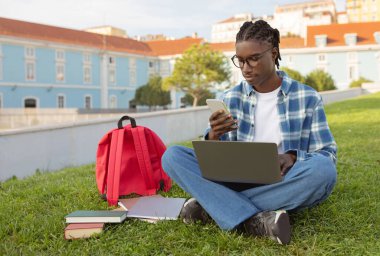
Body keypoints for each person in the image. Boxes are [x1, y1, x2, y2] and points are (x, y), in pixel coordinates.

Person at [161, 20, 337, 245]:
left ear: (273, 54)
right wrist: (214, 135)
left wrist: (291, 157)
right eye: (240, 61)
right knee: (172, 156)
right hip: (234, 179)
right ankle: (254, 220)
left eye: (253, 59)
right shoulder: (229, 98)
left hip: (281, 180)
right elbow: (212, 159)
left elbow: (327, 154)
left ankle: (211, 208)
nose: (245, 68)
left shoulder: (307, 97)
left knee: (323, 171)